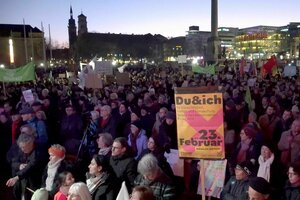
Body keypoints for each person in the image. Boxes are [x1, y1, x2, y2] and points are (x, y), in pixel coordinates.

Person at [6, 133, 47, 200]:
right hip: (21, 182)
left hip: (34, 181)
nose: (22, 149)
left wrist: (17, 177)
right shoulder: (20, 149)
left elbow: (31, 166)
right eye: (21, 147)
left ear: (31, 143)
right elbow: (13, 162)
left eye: (24, 147)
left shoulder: (39, 151)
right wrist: (19, 165)